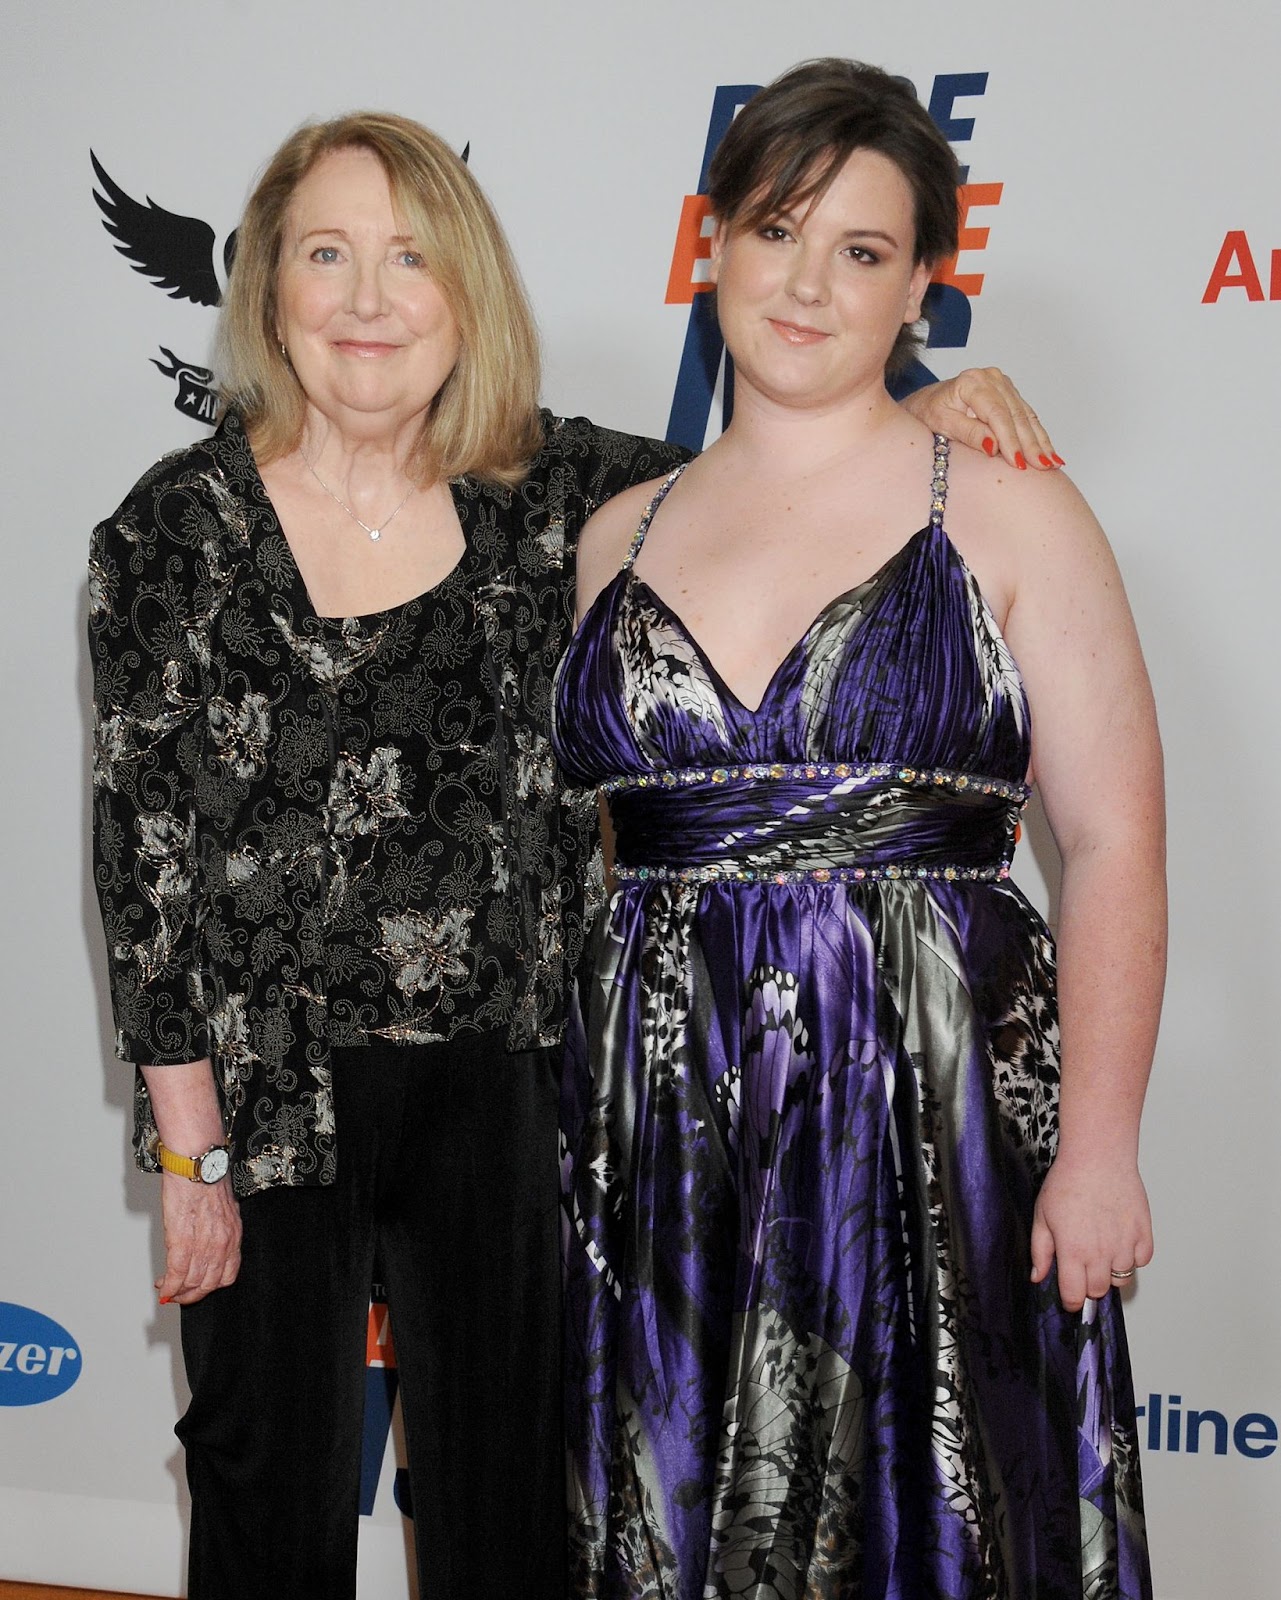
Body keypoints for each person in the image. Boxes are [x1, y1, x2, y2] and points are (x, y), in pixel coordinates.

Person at [88, 107, 1060, 1600]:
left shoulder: (566, 501)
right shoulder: (169, 532)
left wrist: (924, 410)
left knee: (509, 1513)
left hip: (520, 1083)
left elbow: (783, 468)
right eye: (325, 255)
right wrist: (190, 1155)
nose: (365, 300)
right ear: (266, 286)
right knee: (262, 1495)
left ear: (464, 291)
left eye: (409, 258)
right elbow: (142, 864)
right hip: (265, 1093)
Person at [556, 59, 1163, 1600]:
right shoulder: (612, 535)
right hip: (666, 1123)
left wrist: (1095, 1149)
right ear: (711, 248)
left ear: (921, 291)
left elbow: (1110, 845)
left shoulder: (1011, 508)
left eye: (862, 251)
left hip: (933, 1112)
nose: (806, 285)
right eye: (774, 232)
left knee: (935, 1521)